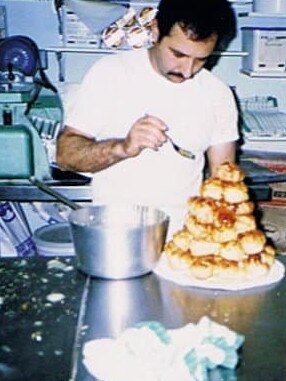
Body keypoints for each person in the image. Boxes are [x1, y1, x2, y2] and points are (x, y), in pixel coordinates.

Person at [56, 0, 239, 236]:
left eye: (202, 59)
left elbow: (225, 182)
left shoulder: (218, 94)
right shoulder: (110, 74)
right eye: (178, 54)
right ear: (154, 31)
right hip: (115, 234)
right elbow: (65, 156)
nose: (187, 70)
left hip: (184, 239)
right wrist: (122, 147)